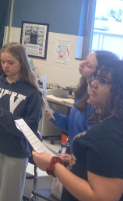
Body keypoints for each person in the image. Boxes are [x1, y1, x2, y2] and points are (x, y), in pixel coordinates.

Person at [33, 60, 123, 201]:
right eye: (97, 78)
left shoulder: (107, 135)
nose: (93, 84)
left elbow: (101, 197)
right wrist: (80, 163)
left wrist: (53, 164)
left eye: (104, 80)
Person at [0, 43, 42, 201]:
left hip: (15, 149)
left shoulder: (32, 93)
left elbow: (28, 129)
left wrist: (0, 113)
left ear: (22, 63)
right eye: (3, 62)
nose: (5, 66)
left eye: (10, 62)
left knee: (10, 194)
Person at [46, 50, 119, 153]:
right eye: (84, 60)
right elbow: (73, 127)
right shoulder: (82, 93)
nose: (81, 64)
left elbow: (90, 139)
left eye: (88, 65)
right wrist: (55, 117)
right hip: (75, 155)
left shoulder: (96, 103)